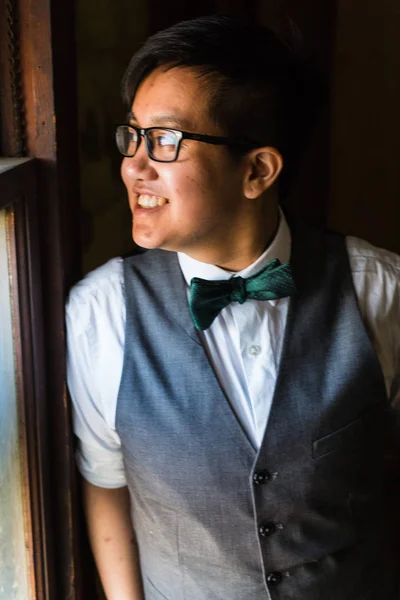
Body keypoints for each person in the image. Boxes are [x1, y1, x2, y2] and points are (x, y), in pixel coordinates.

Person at [66, 15, 400, 600]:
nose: (132, 166)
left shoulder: (381, 291)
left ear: (257, 170)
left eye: (166, 141)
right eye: (133, 135)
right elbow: (106, 482)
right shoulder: (99, 314)